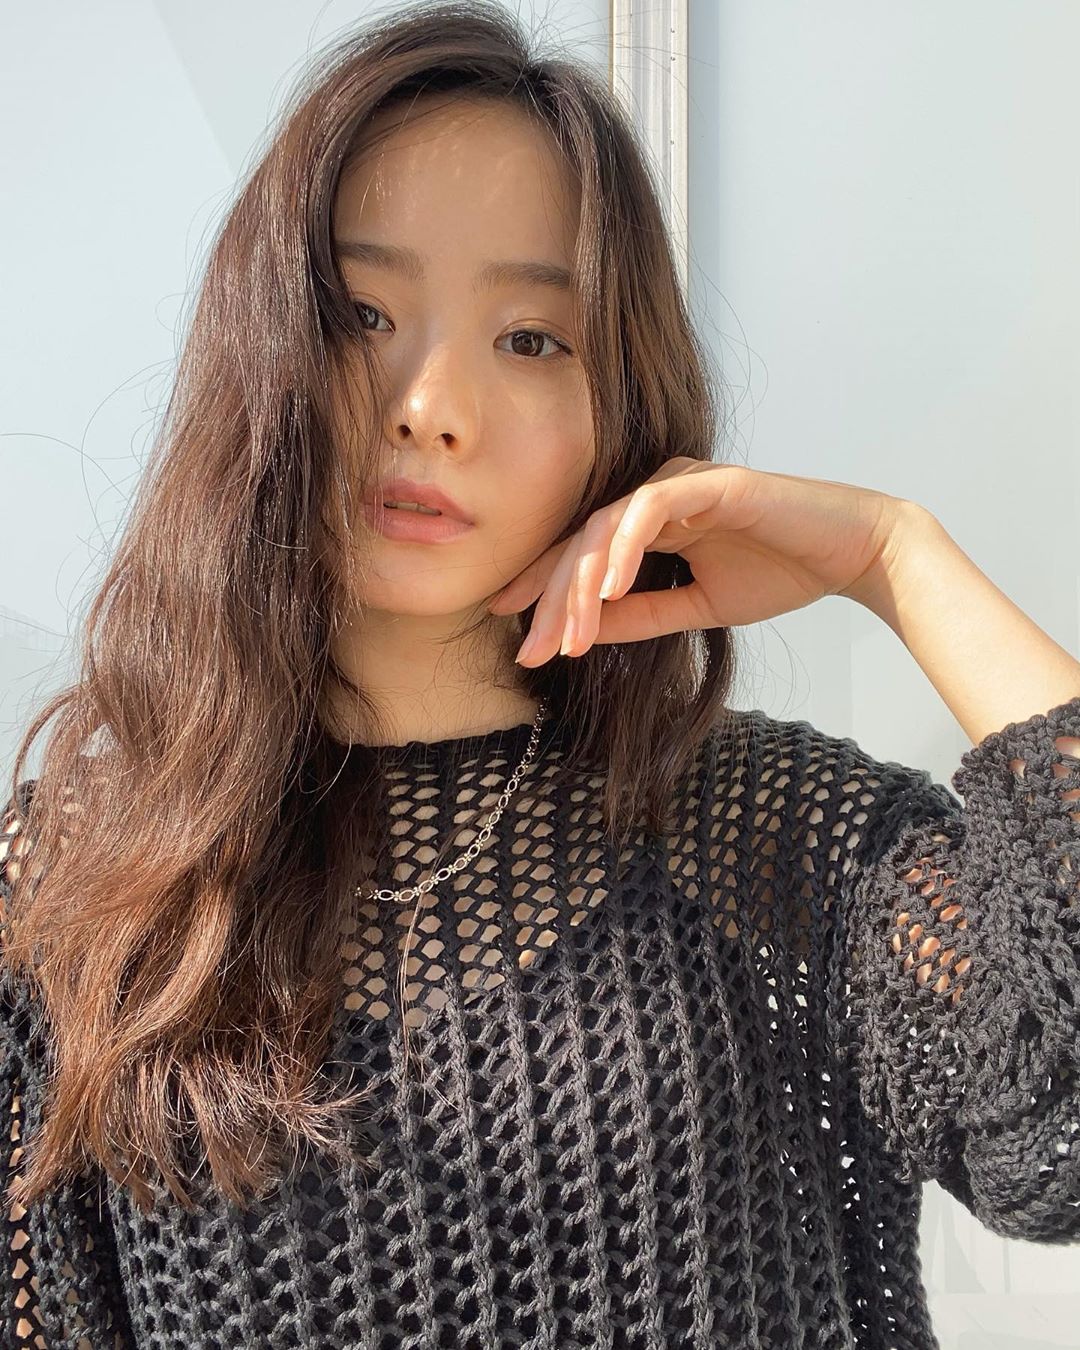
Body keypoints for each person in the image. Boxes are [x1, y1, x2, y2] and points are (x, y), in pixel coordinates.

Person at [2, 2, 1079, 1346]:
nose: (430, 406)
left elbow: (1062, 1136)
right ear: (260, 342)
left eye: (530, 339)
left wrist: (895, 559)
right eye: (362, 312)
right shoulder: (81, 878)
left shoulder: (775, 842)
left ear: (616, 407)